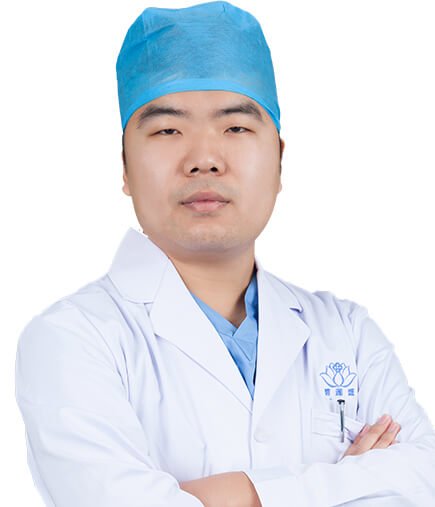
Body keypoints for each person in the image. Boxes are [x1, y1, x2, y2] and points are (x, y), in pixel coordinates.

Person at [15, 2, 435, 506]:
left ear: (279, 161)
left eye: (235, 127)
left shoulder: (348, 332)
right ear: (125, 166)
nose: (205, 160)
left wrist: (225, 495)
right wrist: (348, 481)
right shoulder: (70, 340)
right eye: (167, 130)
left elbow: (425, 477)